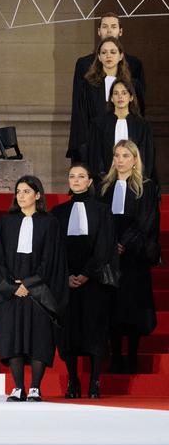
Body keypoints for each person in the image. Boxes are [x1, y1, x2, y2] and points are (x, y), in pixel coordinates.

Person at [0, 175, 67, 403]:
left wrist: (30, 284)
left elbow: (50, 259)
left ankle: (35, 387)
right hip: (11, 291)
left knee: (39, 337)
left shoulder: (49, 223)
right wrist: (12, 286)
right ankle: (18, 387)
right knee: (13, 337)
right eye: (18, 191)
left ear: (38, 195)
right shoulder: (6, 222)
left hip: (38, 291)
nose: (21, 196)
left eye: (26, 191)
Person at [52, 164, 117, 399]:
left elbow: (105, 245)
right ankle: (73, 380)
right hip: (66, 281)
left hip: (95, 280)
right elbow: (54, 250)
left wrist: (88, 273)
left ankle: (95, 382)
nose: (76, 180)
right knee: (68, 332)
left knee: (94, 330)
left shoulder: (101, 211)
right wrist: (66, 275)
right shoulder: (58, 212)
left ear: (90, 181)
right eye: (72, 176)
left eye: (81, 176)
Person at [99, 140, 161, 374]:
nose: (120, 160)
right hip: (110, 258)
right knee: (112, 307)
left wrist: (124, 243)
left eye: (126, 155)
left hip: (135, 257)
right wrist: (110, 245)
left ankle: (132, 356)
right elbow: (100, 221)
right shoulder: (104, 188)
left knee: (132, 307)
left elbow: (147, 222)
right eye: (117, 155)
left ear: (135, 160)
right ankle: (115, 356)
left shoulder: (146, 188)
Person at [68, 13, 145, 160]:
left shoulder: (135, 65)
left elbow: (139, 106)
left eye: (113, 26)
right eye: (105, 26)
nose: (109, 31)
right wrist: (80, 144)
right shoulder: (84, 67)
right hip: (94, 136)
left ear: (120, 31)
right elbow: (79, 109)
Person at [68, 36, 132, 162]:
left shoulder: (131, 85)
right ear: (99, 57)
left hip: (124, 140)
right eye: (104, 52)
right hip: (95, 144)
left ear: (121, 56)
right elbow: (82, 116)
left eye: (113, 52)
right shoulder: (88, 85)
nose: (108, 56)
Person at [86, 79, 156, 183]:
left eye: (124, 93)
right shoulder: (99, 124)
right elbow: (95, 154)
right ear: (111, 98)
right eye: (116, 93)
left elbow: (147, 154)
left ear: (131, 97)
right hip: (106, 181)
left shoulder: (142, 125)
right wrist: (103, 177)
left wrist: (139, 177)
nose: (120, 97)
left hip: (135, 180)